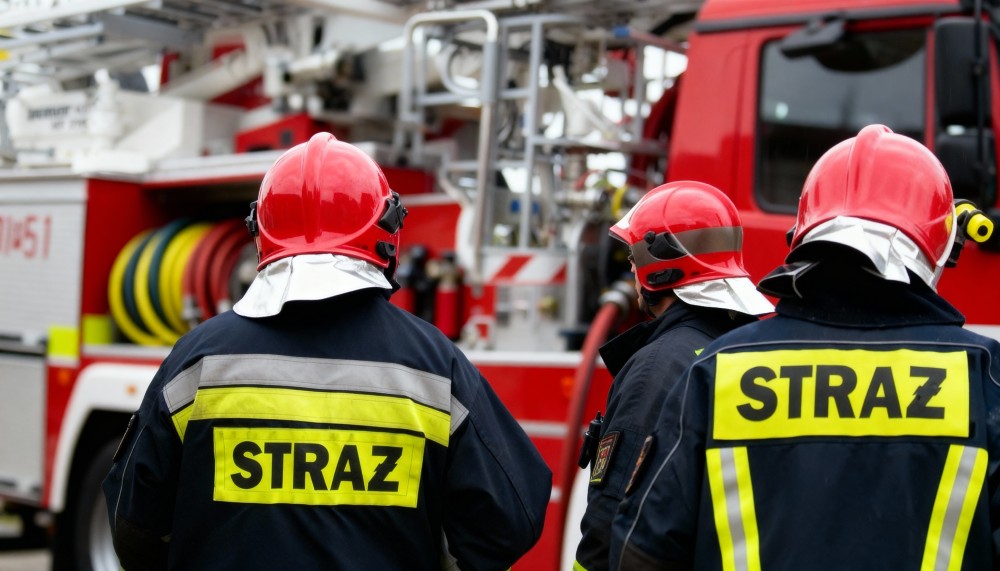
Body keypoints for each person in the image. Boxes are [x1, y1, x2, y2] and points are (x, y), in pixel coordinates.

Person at [102, 132, 552, 571]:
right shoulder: (435, 365)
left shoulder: (198, 360)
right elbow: (509, 521)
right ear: (386, 229)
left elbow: (133, 522)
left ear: (261, 231)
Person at [610, 124, 1000, 570]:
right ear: (938, 246)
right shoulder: (984, 376)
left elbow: (642, 555)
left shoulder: (718, 372)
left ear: (802, 233)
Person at [573, 180, 774, 571]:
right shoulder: (749, 354)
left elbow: (611, 519)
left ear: (658, 267)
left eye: (634, 256)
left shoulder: (657, 369)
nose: (631, 268)